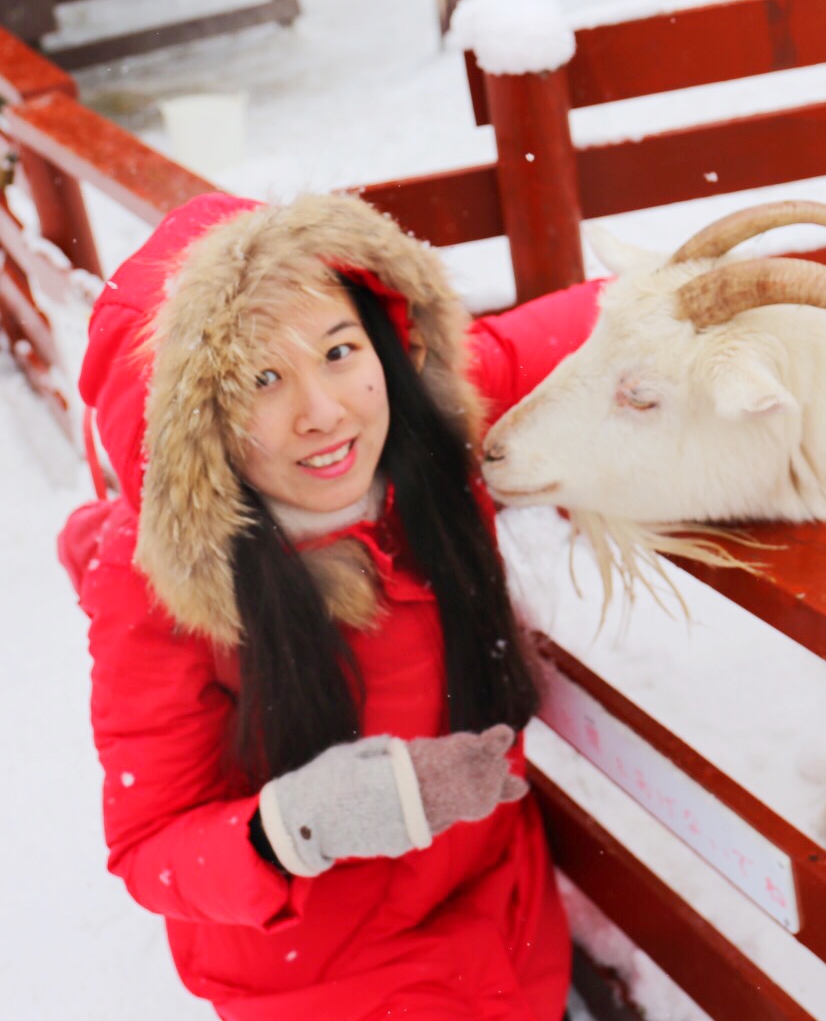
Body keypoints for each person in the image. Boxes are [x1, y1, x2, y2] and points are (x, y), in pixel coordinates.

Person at [56, 193, 603, 1020]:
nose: (324, 412)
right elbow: (148, 846)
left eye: (338, 351)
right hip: (324, 983)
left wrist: (762, 296)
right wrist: (297, 826)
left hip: (506, 928)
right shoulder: (160, 590)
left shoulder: (418, 427)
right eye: (263, 379)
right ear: (196, 425)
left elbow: (594, 331)